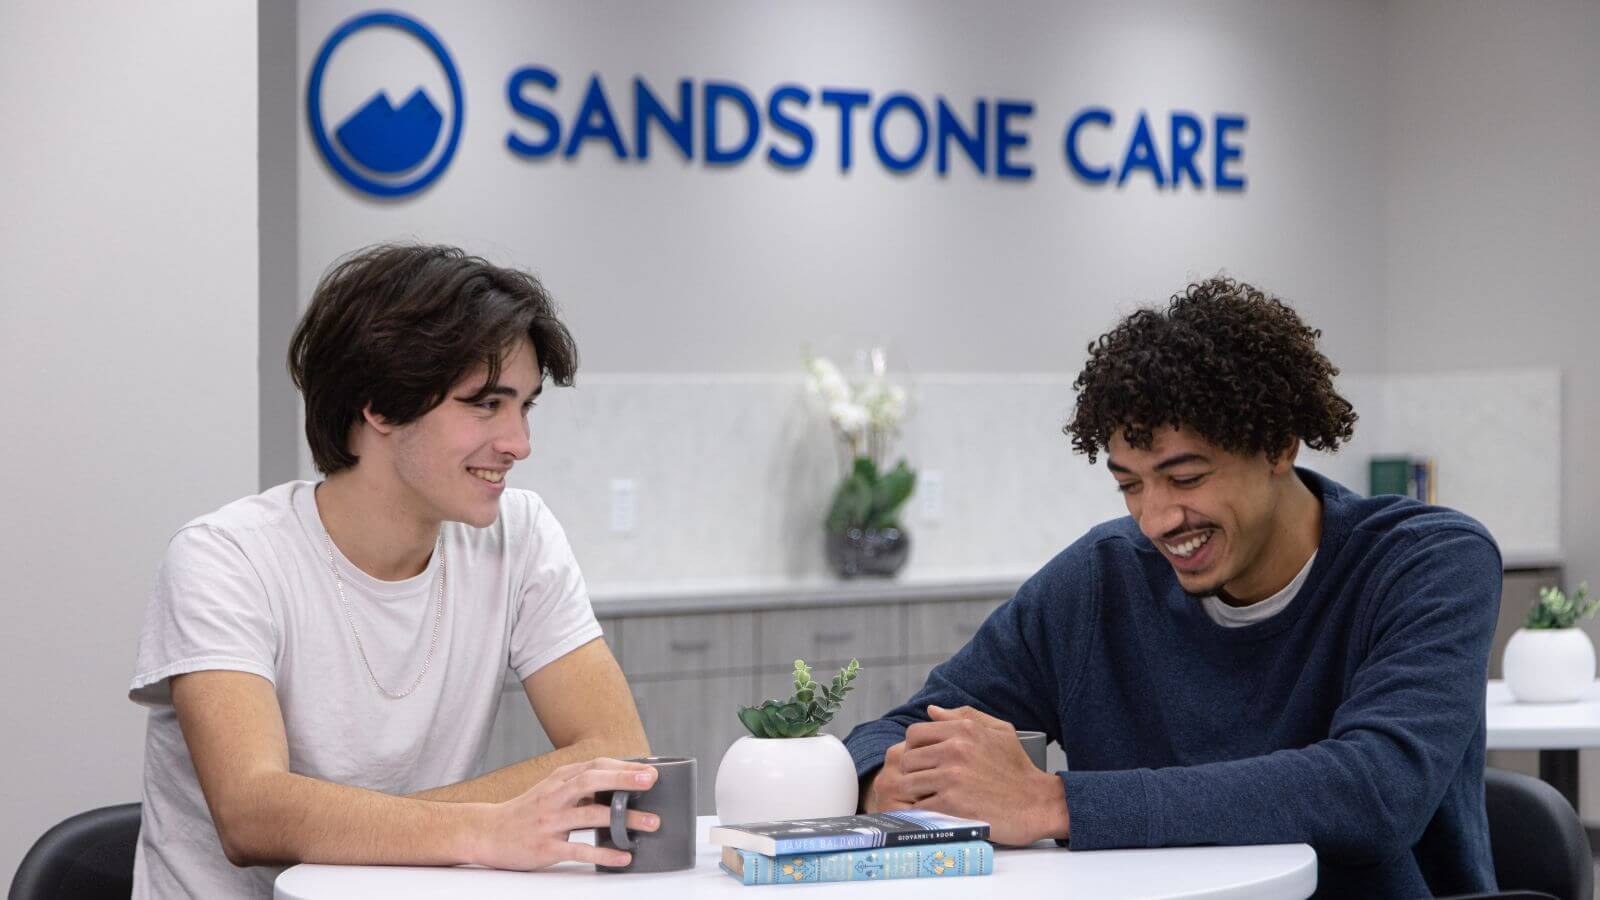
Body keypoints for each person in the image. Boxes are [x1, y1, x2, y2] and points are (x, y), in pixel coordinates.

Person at [844, 277, 1500, 897]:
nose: (1157, 519)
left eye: (1185, 478)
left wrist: (1051, 802)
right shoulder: (1099, 581)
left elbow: (1375, 790)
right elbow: (889, 734)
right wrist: (890, 782)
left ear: (1278, 446)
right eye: (1130, 483)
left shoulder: (1427, 563)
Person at [129, 244, 655, 898]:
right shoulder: (226, 558)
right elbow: (252, 812)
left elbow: (618, 753)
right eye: (486, 404)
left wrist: (379, 826)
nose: (520, 443)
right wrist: (481, 829)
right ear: (378, 405)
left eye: (525, 406)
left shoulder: (520, 536)